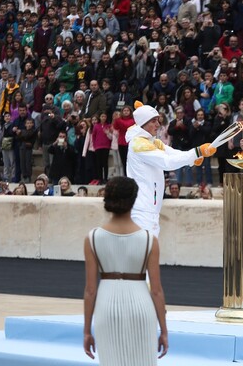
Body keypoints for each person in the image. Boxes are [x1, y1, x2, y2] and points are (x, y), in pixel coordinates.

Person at [83, 177, 168, 365]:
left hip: (107, 306)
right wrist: (164, 330)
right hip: (141, 307)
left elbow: (90, 290)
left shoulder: (92, 238)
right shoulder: (149, 240)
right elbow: (156, 290)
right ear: (134, 199)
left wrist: (87, 330)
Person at [125, 101, 216, 238]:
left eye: (158, 121)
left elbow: (171, 153)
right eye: (153, 121)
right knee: (142, 251)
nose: (158, 125)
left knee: (148, 251)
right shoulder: (138, 144)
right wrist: (196, 153)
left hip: (150, 207)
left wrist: (192, 158)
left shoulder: (151, 141)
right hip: (142, 207)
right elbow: (167, 162)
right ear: (143, 123)